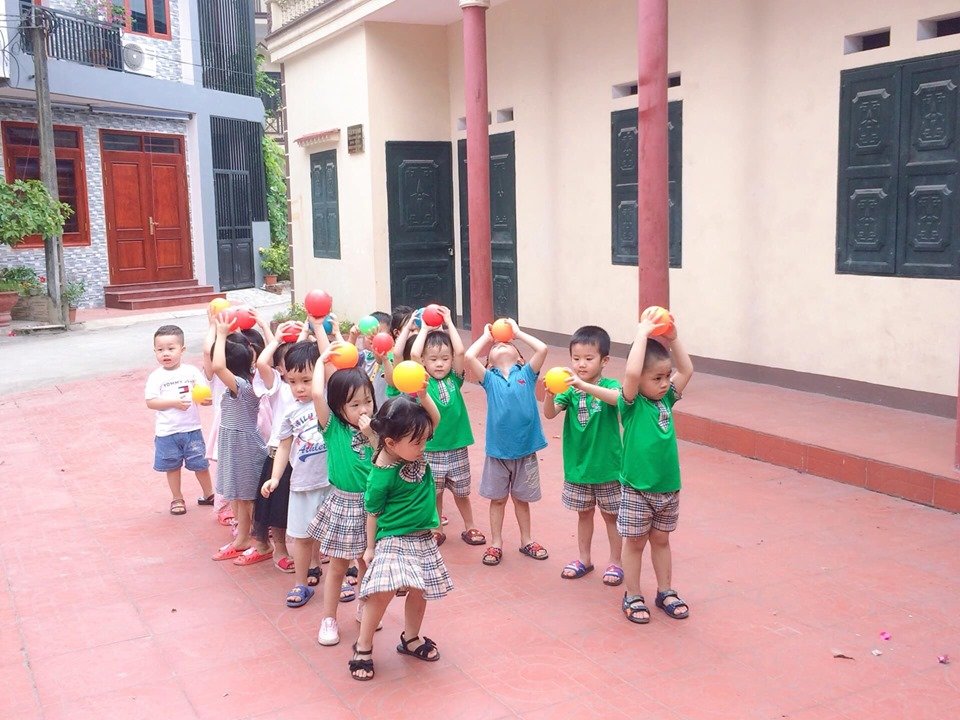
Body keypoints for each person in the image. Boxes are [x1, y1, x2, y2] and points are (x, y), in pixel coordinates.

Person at [350, 393, 451, 681]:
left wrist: (424, 395)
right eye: (418, 442)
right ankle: (363, 646)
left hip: (422, 537)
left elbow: (435, 418)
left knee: (420, 590)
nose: (424, 446)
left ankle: (411, 638)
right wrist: (370, 548)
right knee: (382, 592)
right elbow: (372, 512)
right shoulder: (381, 475)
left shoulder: (413, 449)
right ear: (392, 443)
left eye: (425, 440)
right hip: (394, 537)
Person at [618, 312, 694, 624]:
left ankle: (665, 591)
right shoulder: (631, 403)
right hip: (638, 488)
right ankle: (632, 594)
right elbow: (632, 372)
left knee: (661, 540)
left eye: (666, 377)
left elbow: (687, 370)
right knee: (635, 542)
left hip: (668, 487)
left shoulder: (667, 400)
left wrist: (673, 337)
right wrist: (642, 333)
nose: (664, 384)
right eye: (657, 378)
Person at [308, 329, 378, 647]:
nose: (363, 409)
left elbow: (383, 457)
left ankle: (365, 605)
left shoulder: (376, 428)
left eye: (367, 401)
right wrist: (321, 361)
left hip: (372, 505)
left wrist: (372, 432)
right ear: (339, 408)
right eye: (354, 404)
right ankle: (329, 618)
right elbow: (316, 395)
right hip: (343, 502)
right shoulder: (332, 427)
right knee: (337, 565)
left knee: (367, 561)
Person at [542, 326, 624, 585]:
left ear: (604, 360)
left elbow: (618, 400)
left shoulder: (610, 386)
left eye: (589, 358)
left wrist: (584, 386)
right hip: (578, 467)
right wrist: (549, 395)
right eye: (576, 359)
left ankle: (616, 562)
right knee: (584, 514)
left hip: (608, 467)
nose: (581, 364)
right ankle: (584, 559)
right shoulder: (569, 389)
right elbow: (549, 414)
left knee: (611, 516)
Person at [464, 319, 549, 567]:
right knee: (498, 499)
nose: (501, 345)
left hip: (525, 450)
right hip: (498, 453)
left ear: (521, 359)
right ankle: (496, 543)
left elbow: (542, 349)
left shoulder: (527, 374)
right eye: (496, 347)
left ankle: (526, 540)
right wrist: (486, 337)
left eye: (508, 344)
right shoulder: (489, 379)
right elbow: (469, 356)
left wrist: (518, 333)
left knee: (522, 499)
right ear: (489, 363)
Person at [262, 339, 331, 608]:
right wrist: (275, 477)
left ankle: (343, 580)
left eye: (306, 380)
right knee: (302, 538)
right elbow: (284, 446)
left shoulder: (330, 403)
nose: (299, 388)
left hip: (332, 483)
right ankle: (301, 584)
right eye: (292, 382)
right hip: (302, 484)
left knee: (337, 535)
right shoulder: (290, 412)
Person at [410, 306, 485, 547]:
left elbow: (461, 350)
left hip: (457, 446)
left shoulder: (455, 378)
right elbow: (413, 354)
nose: (440, 364)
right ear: (424, 362)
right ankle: (437, 528)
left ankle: (470, 526)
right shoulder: (422, 381)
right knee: (436, 492)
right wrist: (424, 329)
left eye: (445, 359)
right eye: (433, 360)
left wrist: (450, 322)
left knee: (462, 492)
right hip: (432, 448)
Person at [210, 313, 271, 564]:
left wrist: (221, 334)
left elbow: (217, 367)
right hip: (233, 445)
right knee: (238, 496)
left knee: (248, 499)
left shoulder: (243, 386)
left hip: (244, 447)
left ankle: (260, 543)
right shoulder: (238, 384)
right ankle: (243, 539)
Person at [145, 324, 214, 515]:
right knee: (172, 467)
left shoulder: (191, 372)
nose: (165, 353)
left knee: (200, 464)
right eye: (160, 350)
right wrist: (174, 402)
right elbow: (151, 402)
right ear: (155, 351)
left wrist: (206, 400)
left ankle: (209, 494)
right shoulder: (156, 377)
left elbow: (203, 395)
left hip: (191, 429)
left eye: (171, 348)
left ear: (182, 350)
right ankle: (177, 498)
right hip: (167, 432)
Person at [252, 322, 304, 573]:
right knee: (278, 507)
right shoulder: (278, 386)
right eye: (288, 364)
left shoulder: (309, 388)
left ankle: (310, 550)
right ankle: (280, 549)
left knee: (305, 503)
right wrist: (274, 338)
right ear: (281, 369)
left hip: (304, 455)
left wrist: (308, 330)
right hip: (279, 454)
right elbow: (262, 363)